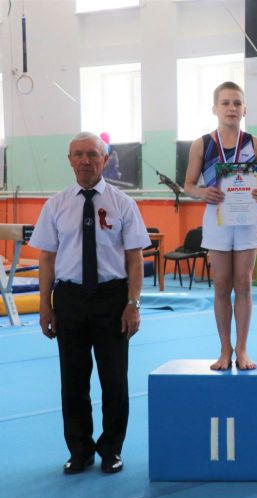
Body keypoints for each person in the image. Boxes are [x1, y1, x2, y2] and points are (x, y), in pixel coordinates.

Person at [30, 132, 151, 474]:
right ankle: (80, 450)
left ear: (105, 159)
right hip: (69, 299)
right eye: (79, 154)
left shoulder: (122, 203)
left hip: (112, 299)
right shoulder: (56, 205)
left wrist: (133, 303)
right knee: (73, 380)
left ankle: (111, 449)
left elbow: (135, 259)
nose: (86, 160)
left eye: (93, 154)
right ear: (69, 160)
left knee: (114, 380)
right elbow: (47, 258)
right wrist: (45, 304)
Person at [183, 81, 257, 371]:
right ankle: (225, 349)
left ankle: (242, 349)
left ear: (245, 109)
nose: (231, 108)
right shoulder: (202, 144)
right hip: (217, 219)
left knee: (244, 283)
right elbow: (188, 185)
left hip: (246, 219)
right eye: (226, 103)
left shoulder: (255, 143)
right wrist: (202, 193)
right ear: (215, 109)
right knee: (221, 284)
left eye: (237, 103)